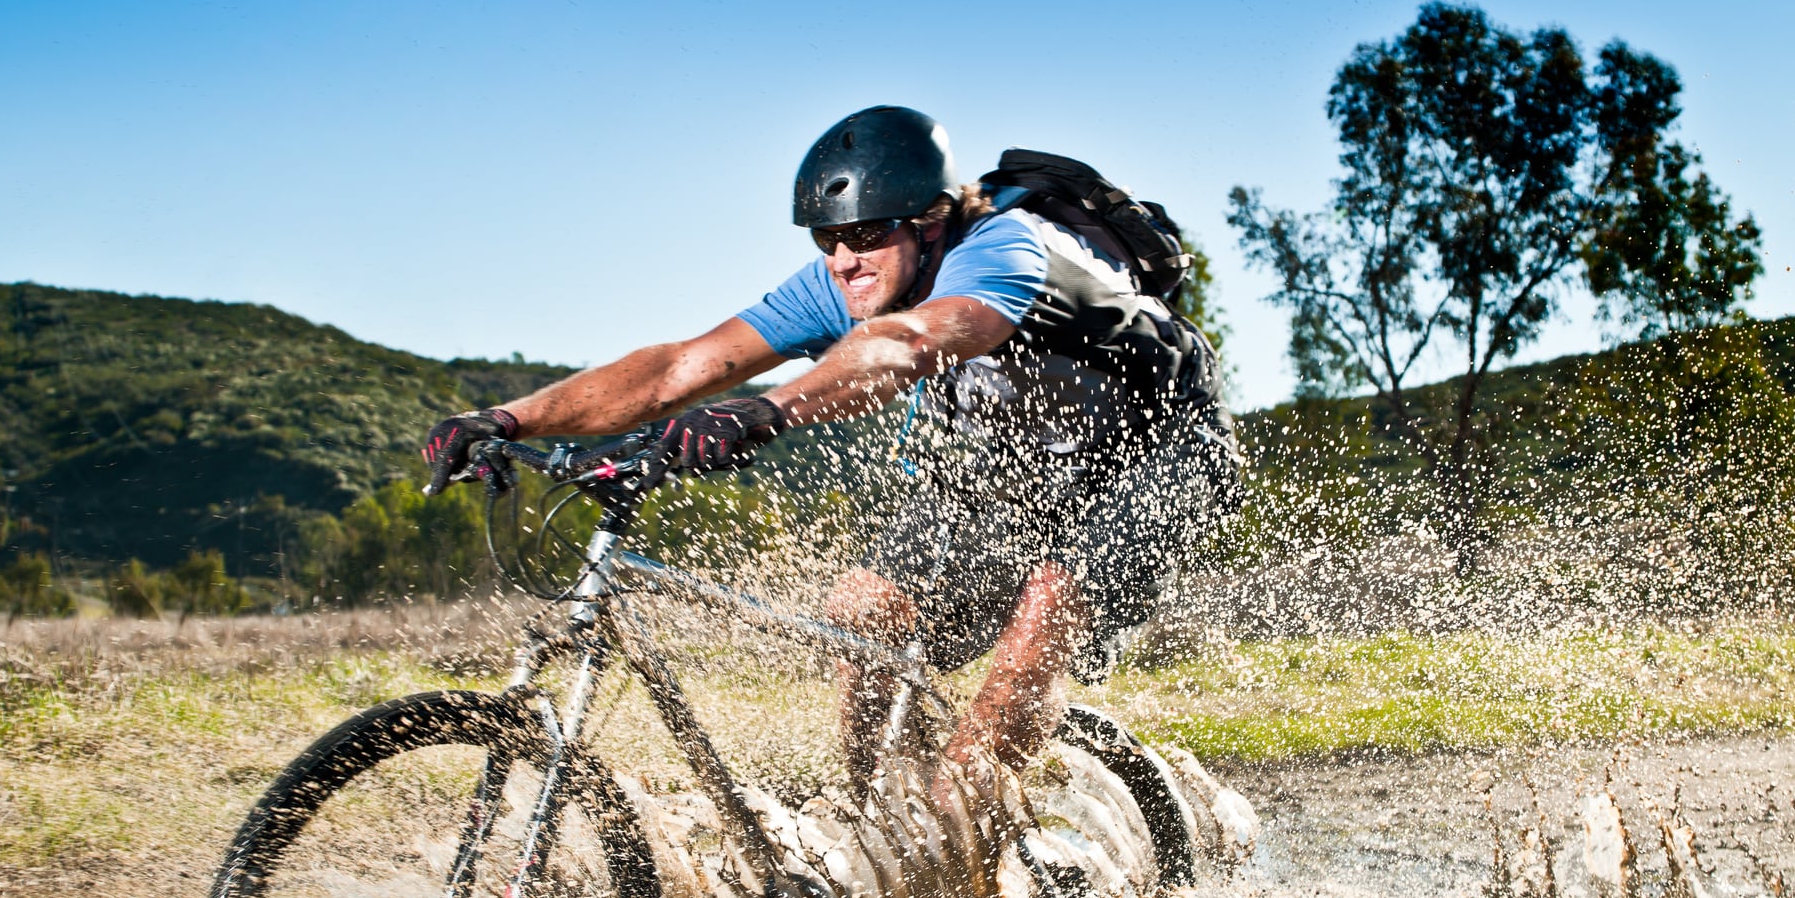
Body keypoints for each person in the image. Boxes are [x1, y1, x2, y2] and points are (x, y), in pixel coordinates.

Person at [423, 106, 1239, 794]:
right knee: (862, 607)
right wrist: (509, 418)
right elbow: (682, 368)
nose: (845, 259)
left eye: (869, 233)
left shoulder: (1006, 246)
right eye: (827, 237)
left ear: (932, 220)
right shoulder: (847, 279)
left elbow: (913, 342)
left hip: (1158, 450)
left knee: (1047, 607)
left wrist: (765, 411)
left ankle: (965, 832)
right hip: (1012, 469)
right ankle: (880, 816)